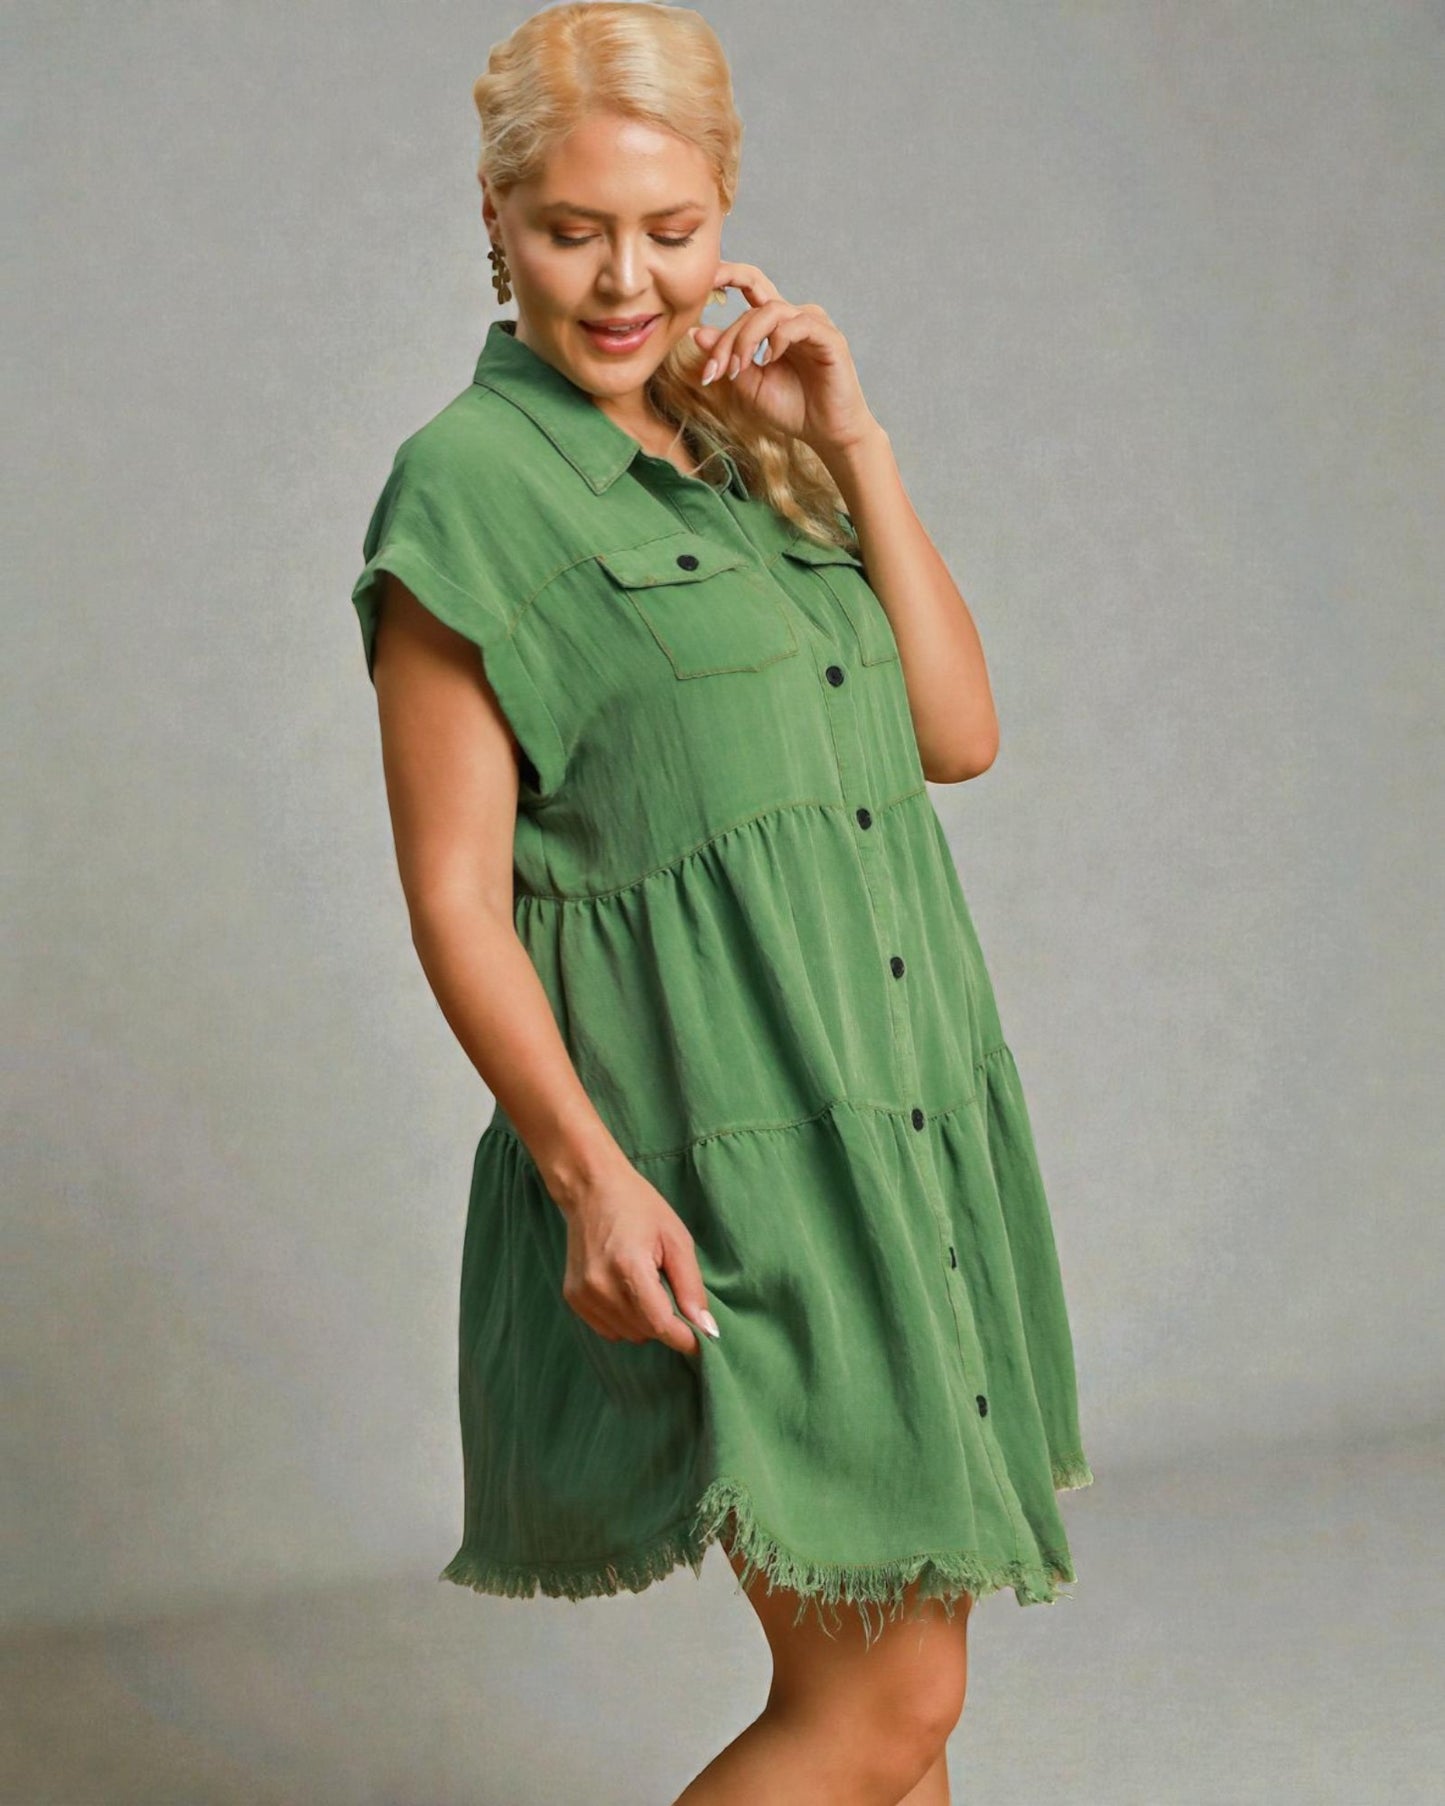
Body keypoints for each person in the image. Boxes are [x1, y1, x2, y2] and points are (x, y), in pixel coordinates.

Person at [348, 5, 1093, 1801]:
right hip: (726, 1152)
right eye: (572, 229)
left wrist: (854, 446)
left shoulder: (745, 444)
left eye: (668, 231)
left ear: (725, 213)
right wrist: (587, 1176)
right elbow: (454, 896)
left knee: (904, 1728)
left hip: (895, 1119)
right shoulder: (469, 489)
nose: (624, 280)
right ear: (496, 219)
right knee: (880, 1707)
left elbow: (956, 733)